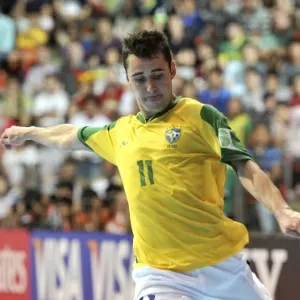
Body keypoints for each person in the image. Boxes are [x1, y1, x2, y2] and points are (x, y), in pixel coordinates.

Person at [1, 30, 300, 300]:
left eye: (157, 75)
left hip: (221, 265)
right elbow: (69, 134)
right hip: (159, 274)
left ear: (172, 70)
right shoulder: (120, 133)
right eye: (139, 78)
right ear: (127, 79)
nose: (150, 87)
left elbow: (244, 165)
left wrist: (281, 209)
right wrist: (29, 133)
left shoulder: (201, 117)